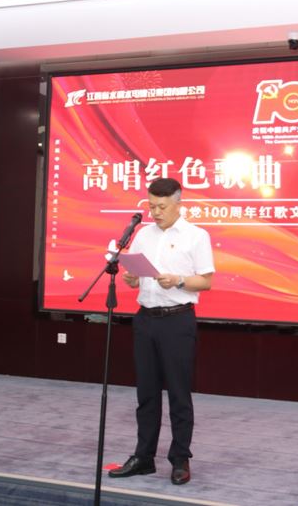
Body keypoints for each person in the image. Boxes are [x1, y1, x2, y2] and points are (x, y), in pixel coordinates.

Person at [108, 177, 214, 485]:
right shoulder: (143, 235)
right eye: (152, 206)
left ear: (179, 204)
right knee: (146, 393)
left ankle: (180, 459)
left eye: (162, 207)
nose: (155, 212)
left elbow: (206, 281)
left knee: (179, 394)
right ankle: (144, 457)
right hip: (145, 320)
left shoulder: (196, 236)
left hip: (177, 321)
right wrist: (132, 280)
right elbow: (137, 278)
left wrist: (178, 280)